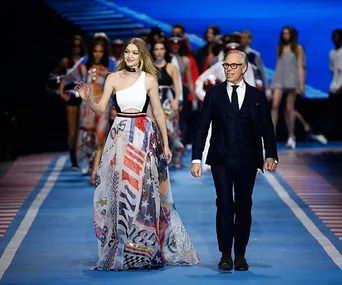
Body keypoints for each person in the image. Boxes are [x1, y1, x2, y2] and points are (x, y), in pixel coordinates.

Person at [76, 37, 200, 271]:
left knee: (143, 193)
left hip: (143, 137)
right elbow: (101, 108)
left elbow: (159, 114)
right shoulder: (113, 78)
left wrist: (165, 143)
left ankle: (144, 251)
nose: (130, 56)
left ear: (142, 56)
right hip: (119, 137)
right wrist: (87, 99)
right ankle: (120, 248)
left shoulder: (149, 80)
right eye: (127, 52)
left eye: (135, 53)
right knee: (118, 193)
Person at [190, 50, 278, 271]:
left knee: (244, 205)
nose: (229, 69)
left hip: (248, 160)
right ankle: (225, 254)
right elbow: (202, 127)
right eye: (226, 65)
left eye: (233, 65)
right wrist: (196, 158)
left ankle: (240, 254)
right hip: (221, 159)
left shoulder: (257, 97)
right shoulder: (214, 94)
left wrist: (271, 154)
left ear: (244, 68)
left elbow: (267, 128)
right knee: (224, 204)